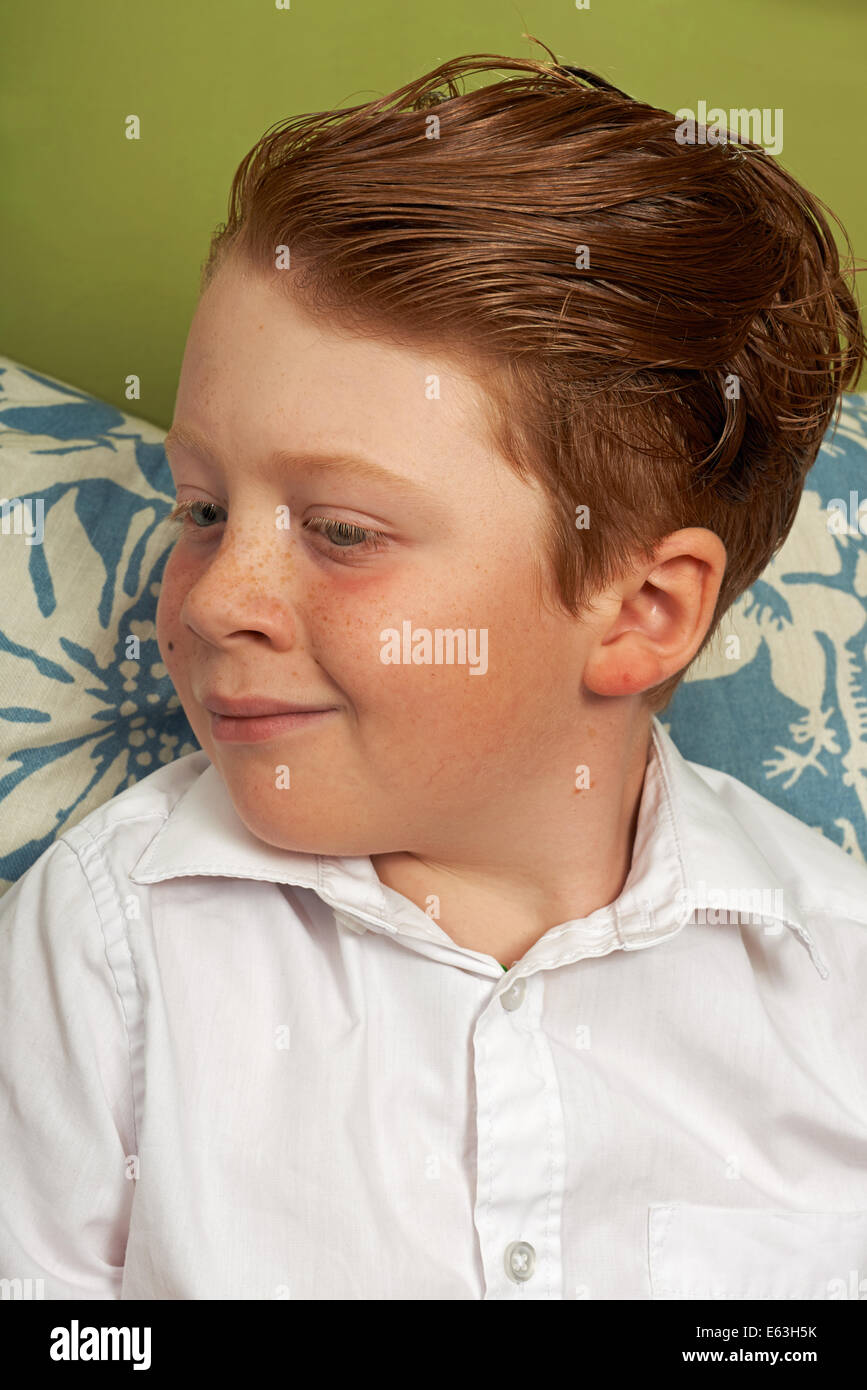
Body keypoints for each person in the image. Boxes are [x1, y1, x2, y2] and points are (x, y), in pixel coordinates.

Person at [2, 43, 867, 1301]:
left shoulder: (833, 982)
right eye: (200, 508)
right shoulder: (110, 940)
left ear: (639, 611)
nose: (212, 603)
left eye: (342, 532)